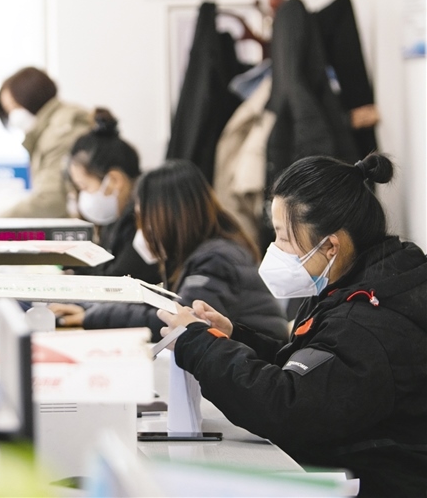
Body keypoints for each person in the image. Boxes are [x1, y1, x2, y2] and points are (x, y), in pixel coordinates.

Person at [158, 153, 427, 497]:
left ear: (330, 246)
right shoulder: (357, 284)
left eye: (284, 238)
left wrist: (200, 345)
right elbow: (312, 367)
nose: (275, 248)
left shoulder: (370, 321)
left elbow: (288, 406)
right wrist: (231, 335)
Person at [52, 160, 287, 343]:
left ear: (168, 216)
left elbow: (179, 321)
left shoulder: (216, 259)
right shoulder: (204, 254)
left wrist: (94, 316)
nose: (143, 230)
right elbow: (159, 306)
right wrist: (89, 309)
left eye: (144, 218)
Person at [63, 107, 160, 284]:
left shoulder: (146, 221)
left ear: (114, 180)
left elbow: (117, 280)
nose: (82, 196)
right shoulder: (116, 220)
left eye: (84, 187)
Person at [0, 66, 92, 218]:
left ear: (31, 96)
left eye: (14, 106)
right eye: (8, 111)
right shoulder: (48, 130)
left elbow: (50, 201)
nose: (13, 116)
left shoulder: (60, 132)